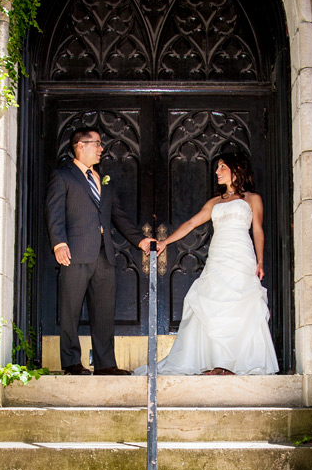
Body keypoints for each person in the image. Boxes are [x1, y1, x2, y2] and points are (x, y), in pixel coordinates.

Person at [135, 151, 279, 376]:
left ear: (236, 170)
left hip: (241, 255)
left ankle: (235, 364)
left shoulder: (252, 199)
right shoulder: (215, 202)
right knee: (211, 304)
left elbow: (258, 230)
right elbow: (192, 223)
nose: (217, 172)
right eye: (217, 167)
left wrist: (260, 261)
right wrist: (165, 242)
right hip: (219, 256)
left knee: (240, 305)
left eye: (222, 167)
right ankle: (215, 362)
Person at [45, 127, 152, 375]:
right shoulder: (63, 176)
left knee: (104, 312)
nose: (101, 149)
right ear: (80, 146)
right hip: (75, 253)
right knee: (70, 310)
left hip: (105, 255)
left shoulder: (102, 179)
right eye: (97, 144)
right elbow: (54, 212)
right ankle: (71, 362)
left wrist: (140, 241)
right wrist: (59, 242)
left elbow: (119, 216)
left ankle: (106, 364)